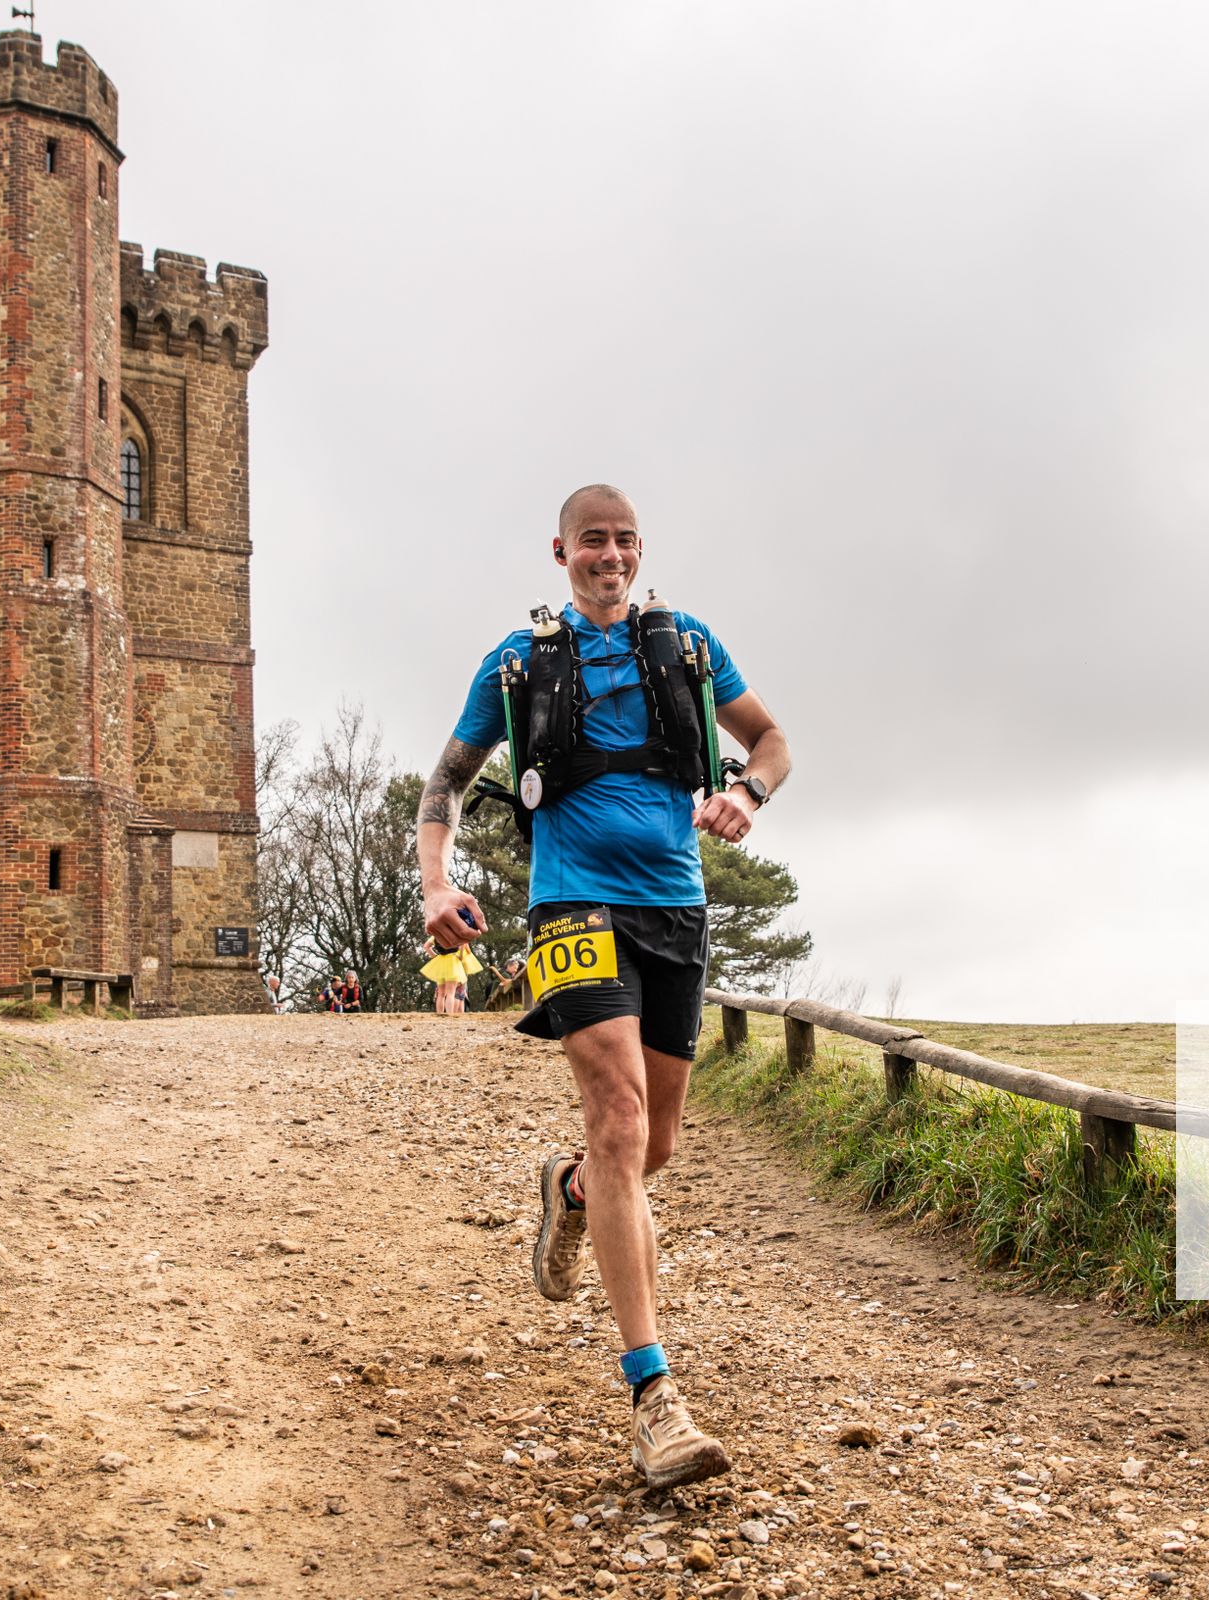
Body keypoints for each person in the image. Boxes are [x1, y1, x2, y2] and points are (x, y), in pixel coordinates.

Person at [416, 483, 790, 1491]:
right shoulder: (517, 661)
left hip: (675, 910)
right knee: (619, 1122)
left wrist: (746, 792)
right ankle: (654, 1397)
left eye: (624, 540)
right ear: (562, 553)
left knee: (650, 1147)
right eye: (593, 541)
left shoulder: (690, 645)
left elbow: (773, 741)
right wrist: (437, 883)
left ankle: (571, 1189)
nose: (610, 555)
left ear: (640, 550)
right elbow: (446, 782)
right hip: (572, 907)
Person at [419, 936, 483, 1015]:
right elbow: (463, 944)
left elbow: (426, 946)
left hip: (440, 962)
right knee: (451, 993)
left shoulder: (436, 935)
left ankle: (440, 1014)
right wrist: (460, 956)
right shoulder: (454, 934)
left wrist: (435, 956)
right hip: (453, 962)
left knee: (441, 994)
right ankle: (449, 1014)